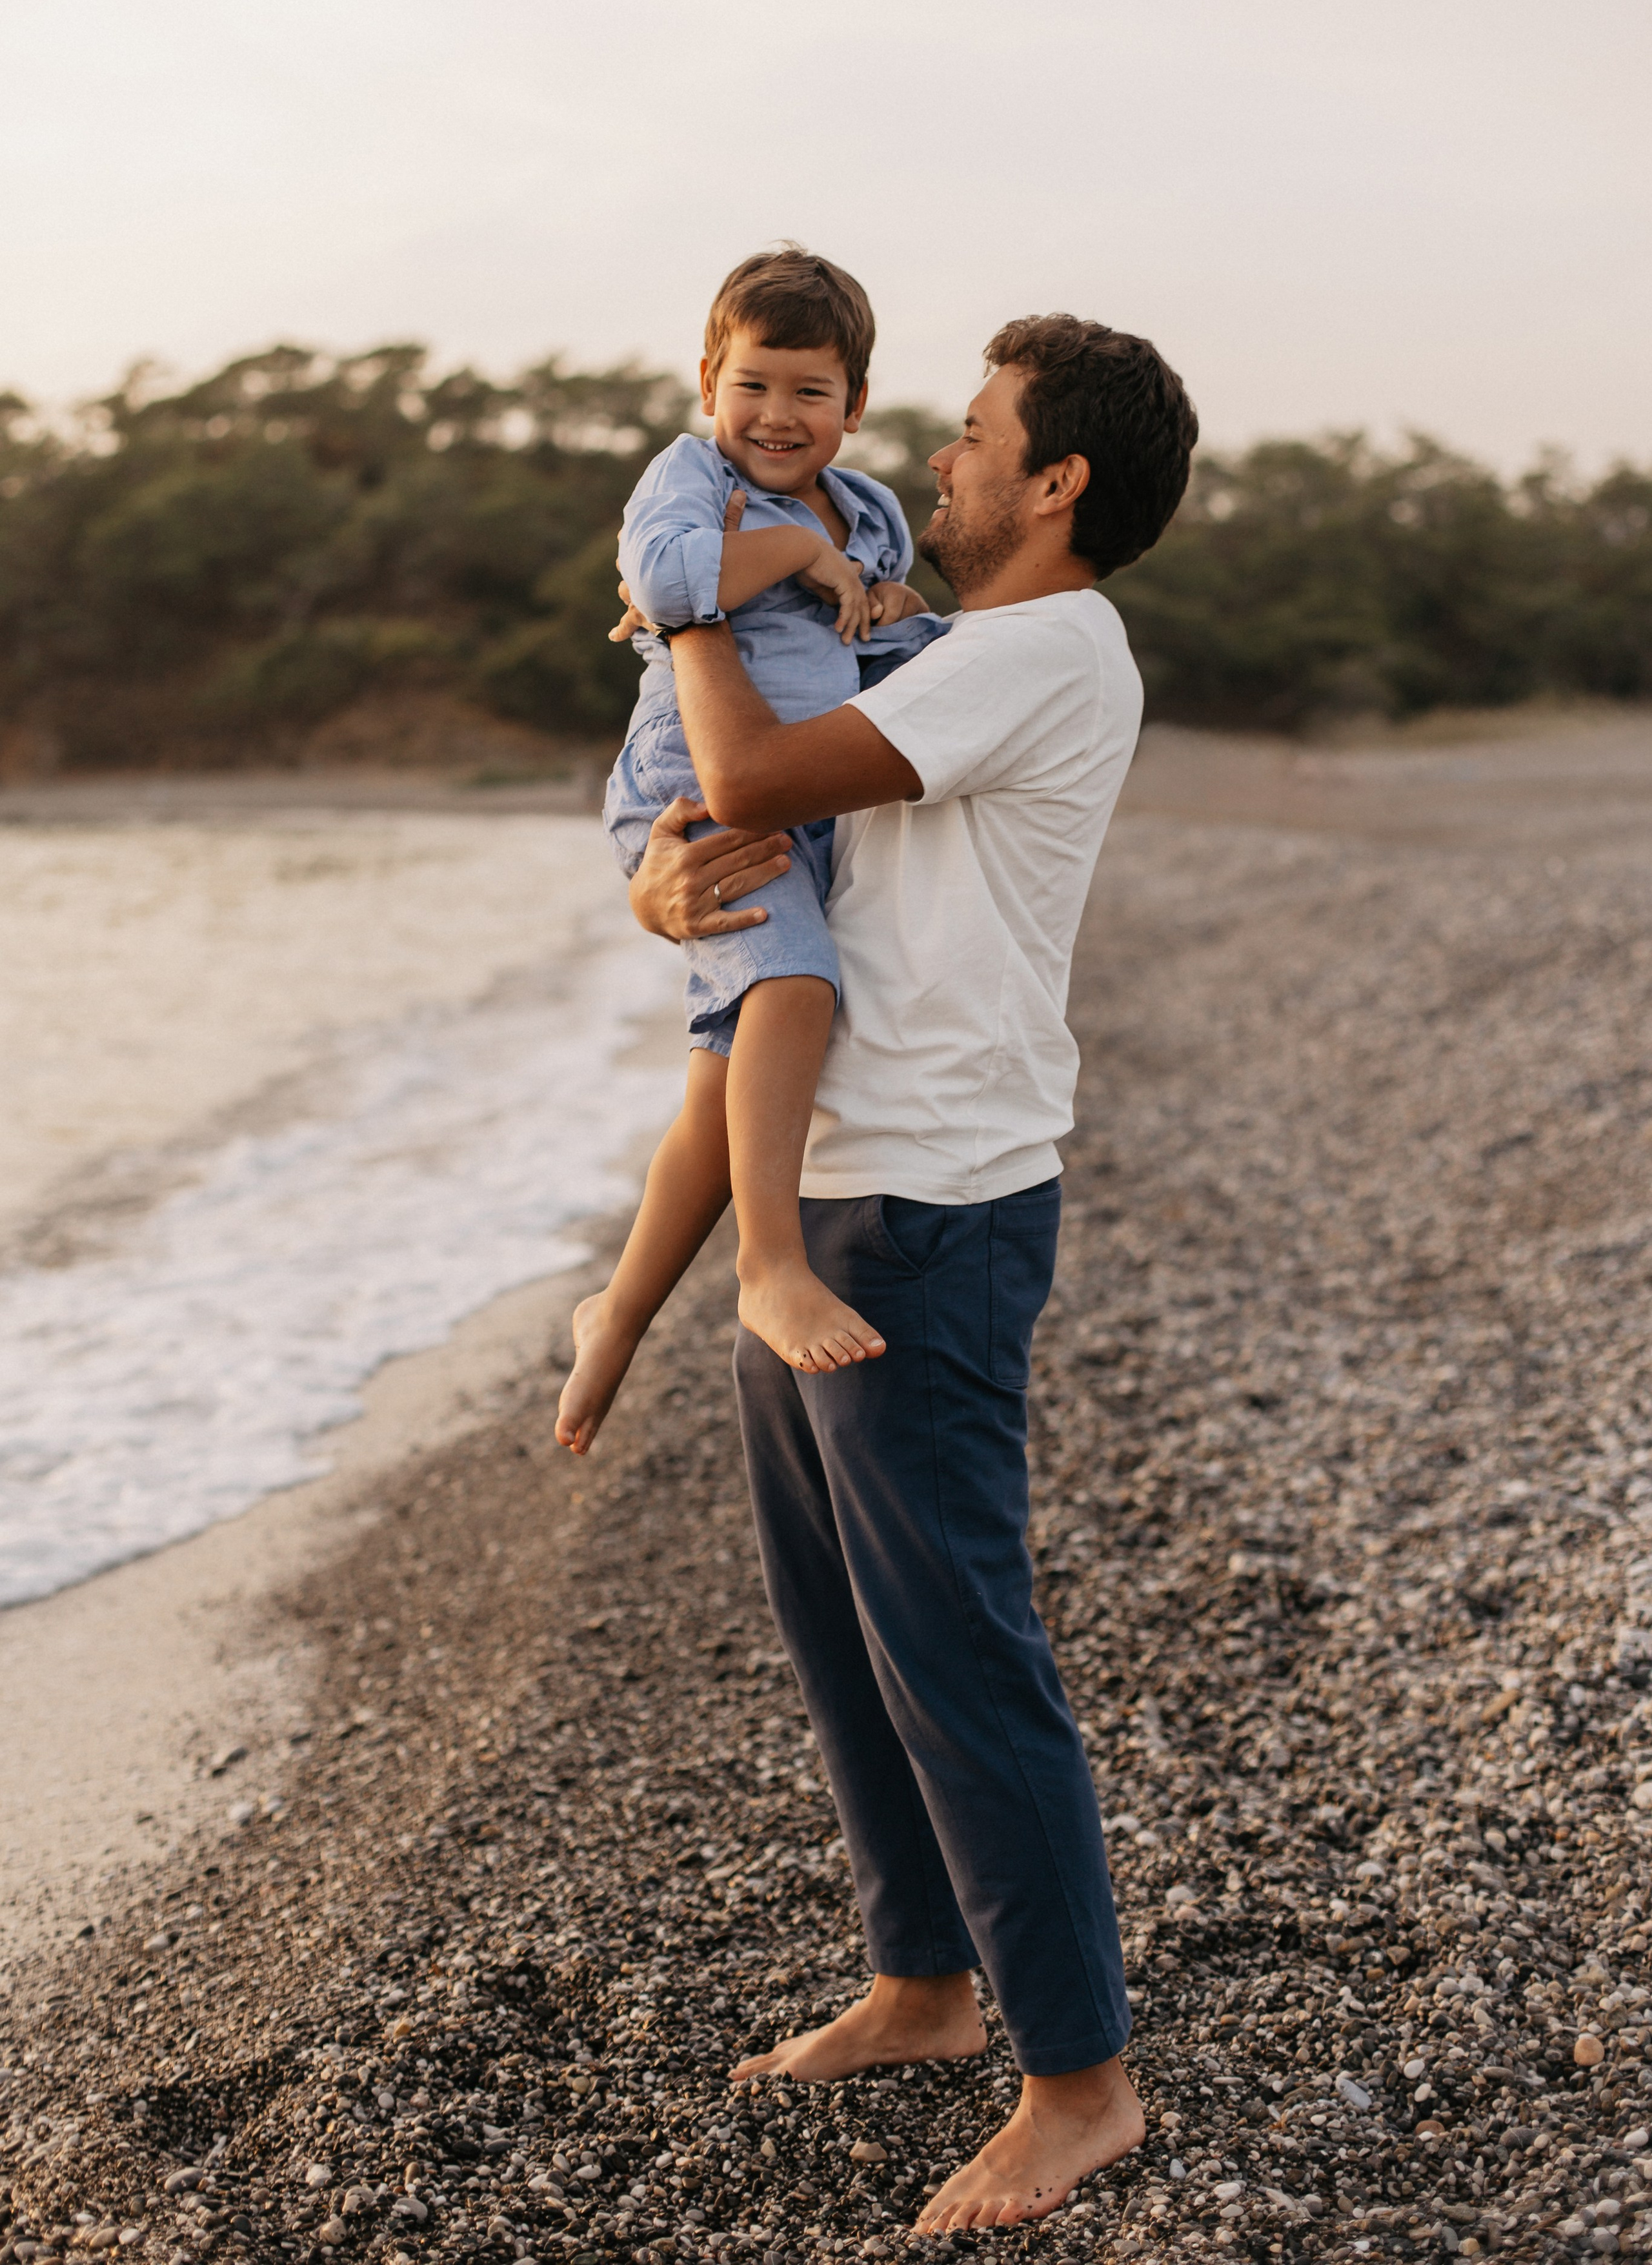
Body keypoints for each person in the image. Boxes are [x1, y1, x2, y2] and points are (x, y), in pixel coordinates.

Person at [622, 314, 1199, 2233]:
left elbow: (766, 764)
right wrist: (655, 878)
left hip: (932, 1208)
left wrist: (694, 575)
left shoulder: (1043, 648)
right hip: (845, 1169)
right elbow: (750, 836)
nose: (939, 467)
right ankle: (928, 1982)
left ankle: (1082, 2080)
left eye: (973, 438)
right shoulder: (958, 651)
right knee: (844, 1623)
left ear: (1059, 486)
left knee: (957, 1641)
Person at [555, 245, 947, 1456]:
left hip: (803, 787)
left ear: (856, 404)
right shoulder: (685, 476)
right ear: (710, 384)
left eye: (810, 392)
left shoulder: (870, 509)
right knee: (792, 989)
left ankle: (615, 1315)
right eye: (755, 387)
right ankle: (767, 1264)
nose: (778, 417)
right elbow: (663, 583)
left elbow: (868, 619)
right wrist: (785, 553)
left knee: (721, 1089)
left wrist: (893, 613)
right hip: (698, 792)